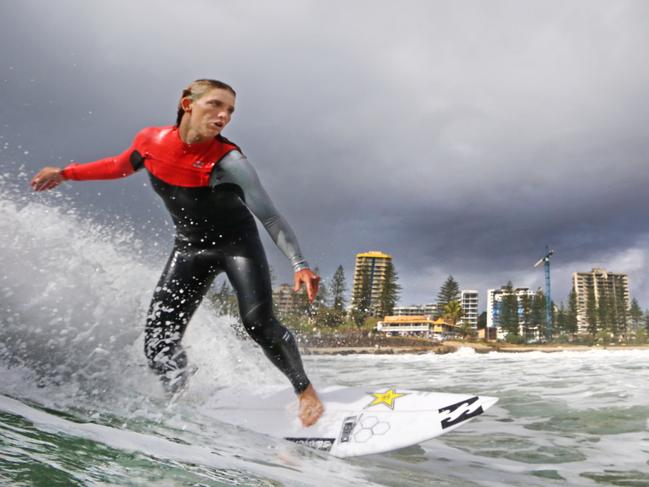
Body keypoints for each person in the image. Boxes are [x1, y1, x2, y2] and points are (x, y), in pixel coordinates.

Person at [31, 79, 324, 427]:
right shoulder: (150, 142)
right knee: (157, 344)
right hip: (189, 249)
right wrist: (65, 173)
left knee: (258, 324)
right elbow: (118, 165)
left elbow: (270, 215)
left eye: (230, 110)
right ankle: (180, 393)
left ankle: (305, 392)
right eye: (215, 105)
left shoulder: (230, 162)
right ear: (188, 104)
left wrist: (300, 264)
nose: (224, 115)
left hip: (237, 247)